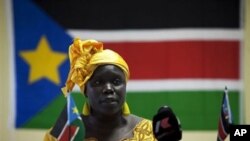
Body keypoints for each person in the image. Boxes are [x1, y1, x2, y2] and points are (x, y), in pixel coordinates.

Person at [44, 39, 157, 141]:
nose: (108, 89)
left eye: (116, 82)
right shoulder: (62, 135)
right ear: (85, 90)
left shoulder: (153, 133)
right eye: (98, 82)